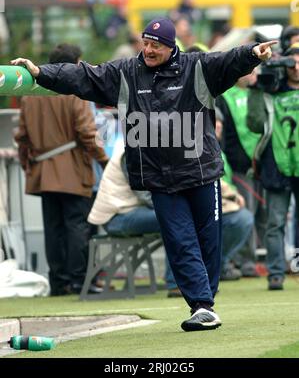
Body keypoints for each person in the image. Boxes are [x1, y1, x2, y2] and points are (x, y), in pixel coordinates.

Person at [11, 17, 276, 331]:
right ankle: (201, 305)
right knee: (180, 240)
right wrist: (41, 72)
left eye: (156, 45)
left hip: (201, 174)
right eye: (145, 42)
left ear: (170, 46)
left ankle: (206, 298)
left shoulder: (196, 68)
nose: (148, 50)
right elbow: (85, 76)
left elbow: (228, 61)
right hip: (159, 179)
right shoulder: (125, 73)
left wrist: (252, 54)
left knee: (209, 242)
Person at [14, 44, 108, 296]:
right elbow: (88, 133)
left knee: (53, 229)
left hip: (43, 170)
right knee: (77, 225)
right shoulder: (73, 92)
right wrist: (105, 161)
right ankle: (78, 281)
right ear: (74, 64)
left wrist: (28, 165)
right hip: (73, 168)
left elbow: (21, 136)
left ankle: (58, 282)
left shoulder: (29, 93)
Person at [88, 139, 180, 297]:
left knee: (176, 217)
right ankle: (176, 283)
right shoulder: (131, 152)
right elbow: (143, 193)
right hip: (116, 218)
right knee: (173, 218)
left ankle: (184, 280)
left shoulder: (148, 148)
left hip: (129, 212)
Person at [247, 41, 299, 290]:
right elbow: (255, 124)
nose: (297, 67)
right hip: (277, 165)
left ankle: (296, 266)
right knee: (275, 221)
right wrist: (258, 88)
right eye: (293, 62)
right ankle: (276, 272)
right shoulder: (270, 91)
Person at [215, 108, 254, 281]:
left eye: (220, 122)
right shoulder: (196, 147)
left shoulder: (219, 151)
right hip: (208, 204)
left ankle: (221, 264)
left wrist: (233, 195)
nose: (218, 126)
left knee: (245, 218)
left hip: (220, 203)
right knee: (242, 218)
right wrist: (233, 196)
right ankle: (217, 265)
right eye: (213, 121)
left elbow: (225, 181)